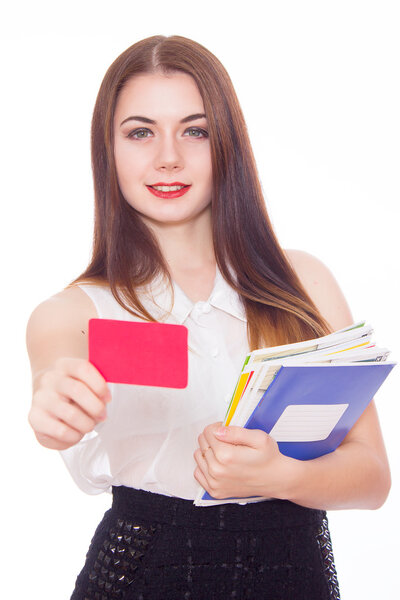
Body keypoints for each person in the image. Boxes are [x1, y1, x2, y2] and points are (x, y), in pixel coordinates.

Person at [26, 35, 391, 600]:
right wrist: (54, 403)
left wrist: (283, 477)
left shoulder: (303, 283)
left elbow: (372, 478)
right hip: (143, 576)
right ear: (109, 150)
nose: (167, 156)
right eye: (140, 132)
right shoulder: (72, 312)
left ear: (226, 144)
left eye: (194, 130)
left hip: (297, 576)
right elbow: (55, 379)